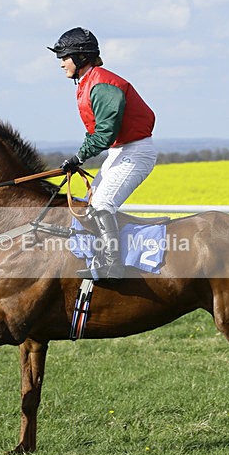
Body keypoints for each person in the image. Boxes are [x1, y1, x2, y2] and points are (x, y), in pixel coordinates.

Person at [48, 27, 157, 279]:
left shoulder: (103, 85)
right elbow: (96, 132)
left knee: (102, 204)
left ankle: (112, 265)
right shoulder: (89, 82)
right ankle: (97, 257)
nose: (61, 63)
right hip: (120, 151)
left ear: (81, 57)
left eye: (65, 57)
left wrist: (79, 157)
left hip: (135, 151)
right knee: (88, 207)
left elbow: (104, 134)